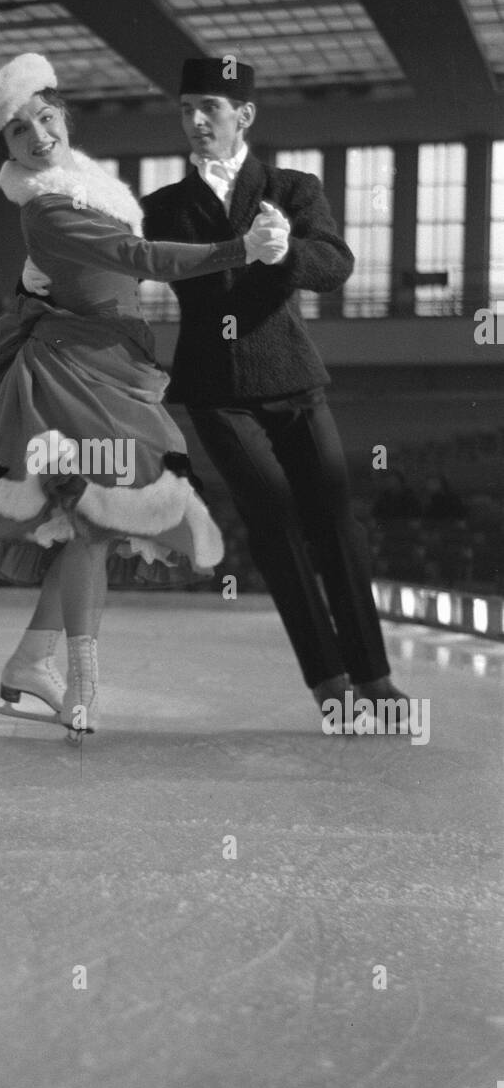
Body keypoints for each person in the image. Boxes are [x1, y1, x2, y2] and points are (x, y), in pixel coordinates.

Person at [0, 53, 285, 743]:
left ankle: (33, 658)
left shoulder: (84, 189)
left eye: (44, 116)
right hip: (72, 380)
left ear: (63, 114)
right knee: (93, 521)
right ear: (4, 149)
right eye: (17, 132)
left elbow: (97, 273)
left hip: (113, 368)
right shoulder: (50, 209)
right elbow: (142, 260)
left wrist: (41, 284)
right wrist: (238, 248)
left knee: (84, 529)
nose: (36, 135)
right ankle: (84, 689)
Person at [25, 57, 409, 731]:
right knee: (275, 523)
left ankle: (375, 677)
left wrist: (288, 250)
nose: (196, 121)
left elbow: (336, 265)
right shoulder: (163, 207)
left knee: (335, 522)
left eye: (210, 108)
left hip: (295, 381)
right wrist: (48, 270)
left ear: (244, 116)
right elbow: (116, 258)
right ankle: (331, 683)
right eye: (186, 110)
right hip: (215, 391)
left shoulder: (291, 188)